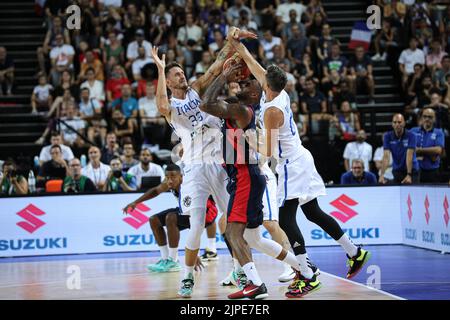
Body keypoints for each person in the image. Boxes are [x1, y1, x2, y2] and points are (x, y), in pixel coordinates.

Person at [227, 28, 371, 298]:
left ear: (266, 85)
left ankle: (307, 275)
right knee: (313, 212)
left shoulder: (271, 110)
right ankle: (355, 252)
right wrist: (236, 43)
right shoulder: (277, 92)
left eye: (260, 81)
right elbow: (251, 63)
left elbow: (268, 150)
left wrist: (248, 138)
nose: (256, 82)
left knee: (286, 219)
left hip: (291, 163)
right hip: (301, 158)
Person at [150, 28, 252, 298]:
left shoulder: (196, 89)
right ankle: (187, 278)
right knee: (195, 226)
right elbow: (160, 103)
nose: (181, 74)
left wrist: (232, 42)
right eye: (175, 74)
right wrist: (160, 69)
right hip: (194, 168)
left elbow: (216, 65)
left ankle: (239, 270)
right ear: (169, 82)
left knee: (231, 221)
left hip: (218, 162)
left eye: (181, 71)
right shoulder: (170, 105)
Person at [200, 60, 309, 300]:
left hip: (245, 176)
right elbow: (204, 99)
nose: (242, 82)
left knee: (232, 233)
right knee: (254, 238)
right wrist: (222, 71)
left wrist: (223, 74)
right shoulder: (237, 105)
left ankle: (256, 284)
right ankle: (306, 270)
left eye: (247, 82)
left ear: (253, 93)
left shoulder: (241, 111)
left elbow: (206, 103)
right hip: (243, 176)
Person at [122, 164, 218, 273]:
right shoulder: (169, 183)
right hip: (188, 210)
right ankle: (166, 259)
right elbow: (156, 191)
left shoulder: (189, 188)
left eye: (173, 177)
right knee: (154, 220)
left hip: (206, 213)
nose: (170, 180)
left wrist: (194, 251)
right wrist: (136, 202)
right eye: (167, 177)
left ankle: (173, 261)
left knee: (171, 218)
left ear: (181, 177)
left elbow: (194, 223)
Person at [379, 114, 419, 184]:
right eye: (395, 122)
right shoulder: (387, 136)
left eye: (399, 122)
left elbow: (409, 155)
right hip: (397, 170)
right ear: (392, 124)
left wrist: (409, 174)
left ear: (404, 123)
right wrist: (382, 174)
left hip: (412, 170)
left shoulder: (411, 135)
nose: (397, 124)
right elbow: (386, 156)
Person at [411, 108, 445, 183]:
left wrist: (419, 150)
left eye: (430, 117)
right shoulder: (413, 131)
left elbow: (438, 150)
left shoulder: (439, 132)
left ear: (434, 119)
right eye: (425, 116)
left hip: (433, 171)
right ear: (421, 118)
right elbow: (409, 149)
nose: (427, 119)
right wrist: (430, 151)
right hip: (416, 171)